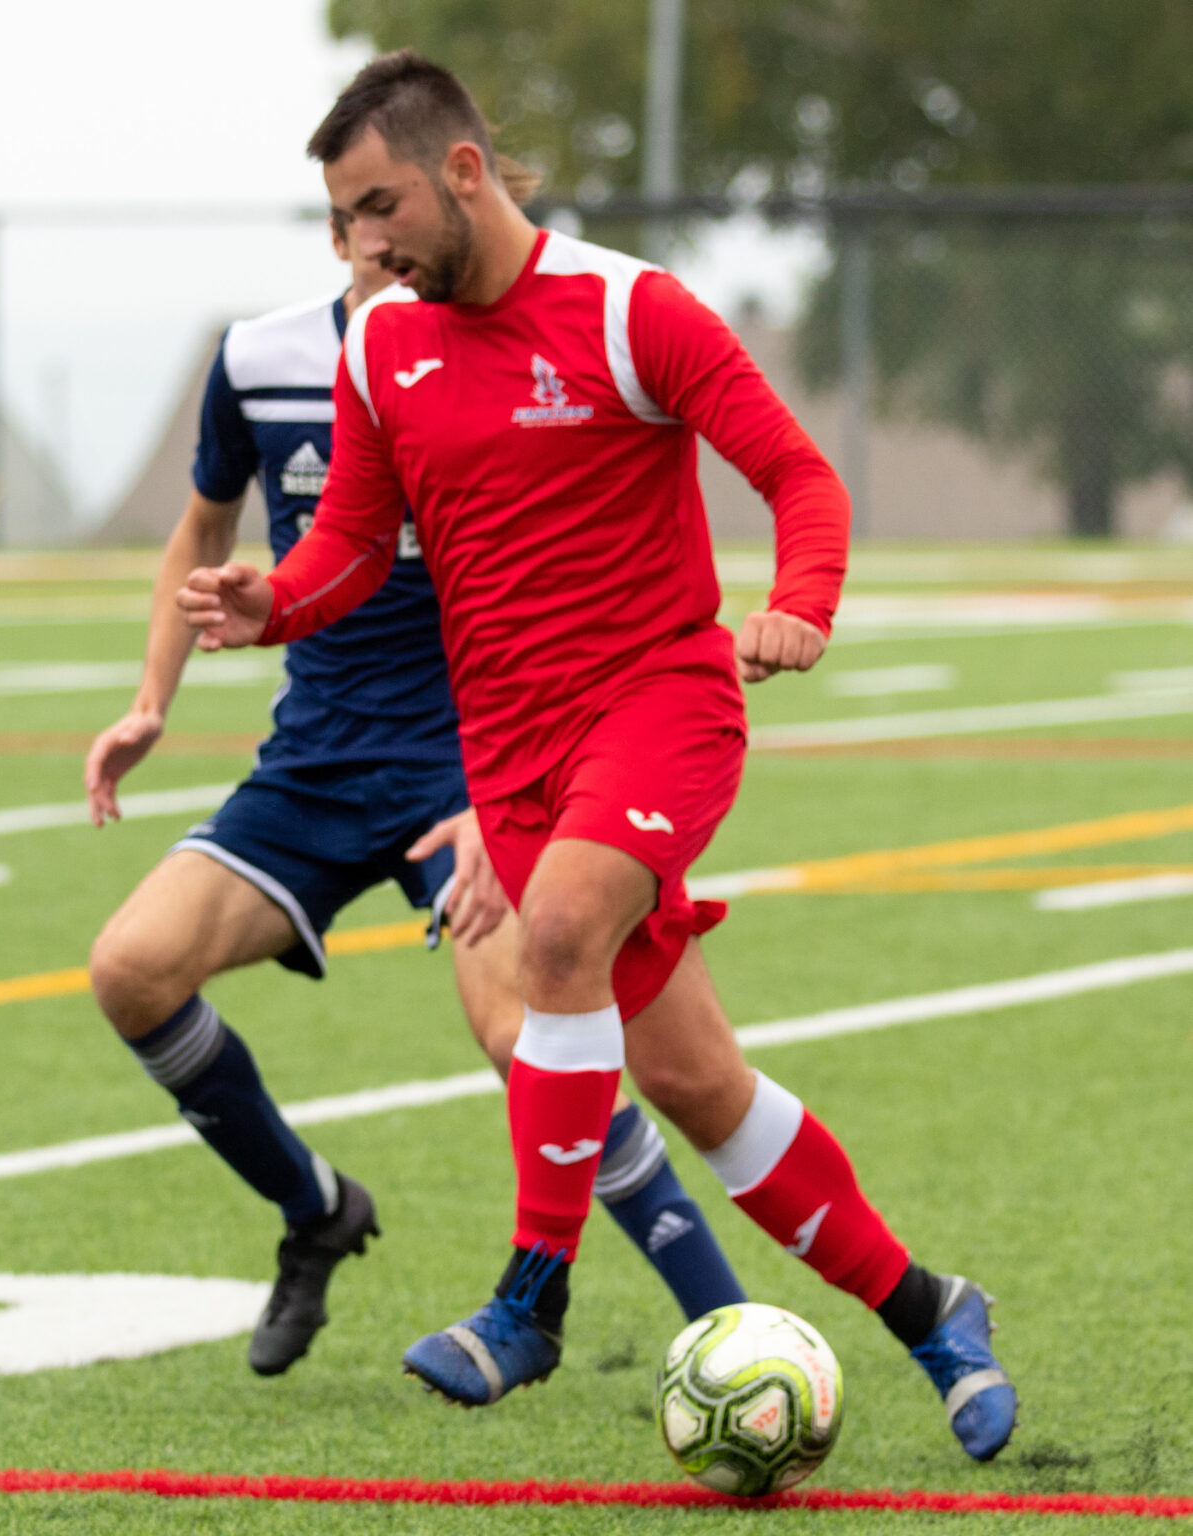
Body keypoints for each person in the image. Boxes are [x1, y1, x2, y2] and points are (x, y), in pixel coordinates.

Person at [176, 51, 1017, 1461]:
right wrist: (274, 603)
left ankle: (530, 1300)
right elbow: (352, 549)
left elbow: (798, 475)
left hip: (660, 708)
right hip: (512, 754)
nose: (365, 244)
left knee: (556, 938)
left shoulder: (632, 310)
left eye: (380, 207)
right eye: (344, 217)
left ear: (461, 171)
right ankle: (934, 1311)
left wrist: (801, 604)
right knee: (696, 1085)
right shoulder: (380, 348)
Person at [85, 182, 748, 1380]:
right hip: (316, 758)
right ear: (337, 233)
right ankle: (315, 1210)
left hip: (472, 756)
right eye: (367, 223)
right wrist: (150, 701)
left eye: (411, 225)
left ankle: (729, 1329)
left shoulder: (499, 360)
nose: (394, 252)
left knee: (521, 1031)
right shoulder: (261, 360)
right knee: (130, 968)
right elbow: (204, 527)